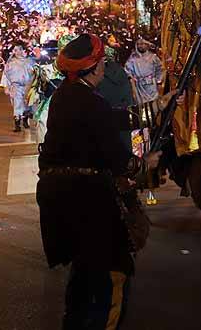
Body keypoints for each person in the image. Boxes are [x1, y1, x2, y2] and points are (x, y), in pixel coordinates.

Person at [37, 34, 159, 329]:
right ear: (92, 68)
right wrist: (145, 163)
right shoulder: (92, 102)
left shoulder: (64, 96)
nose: (104, 65)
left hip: (58, 197)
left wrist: (161, 104)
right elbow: (118, 159)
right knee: (112, 273)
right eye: (101, 61)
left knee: (82, 270)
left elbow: (114, 119)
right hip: (87, 199)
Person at [125, 38, 165, 130]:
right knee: (142, 106)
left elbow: (160, 69)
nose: (140, 46)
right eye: (138, 44)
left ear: (147, 45)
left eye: (142, 44)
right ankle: (145, 125)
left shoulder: (153, 57)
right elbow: (128, 71)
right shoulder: (133, 59)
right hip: (140, 87)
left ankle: (156, 125)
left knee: (154, 105)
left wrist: (158, 81)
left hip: (152, 86)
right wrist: (132, 82)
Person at [1, 45, 36, 132]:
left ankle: (25, 121)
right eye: (14, 50)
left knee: (27, 105)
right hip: (16, 87)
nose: (16, 52)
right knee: (17, 105)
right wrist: (6, 87)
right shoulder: (10, 63)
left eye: (18, 50)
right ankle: (17, 124)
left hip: (28, 86)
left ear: (22, 50)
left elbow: (35, 74)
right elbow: (5, 75)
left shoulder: (29, 61)